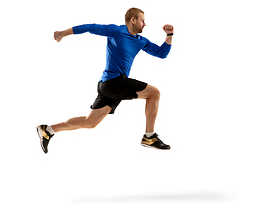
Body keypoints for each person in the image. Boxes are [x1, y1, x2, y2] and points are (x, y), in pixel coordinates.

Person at [37, 8, 174, 153]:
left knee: (90, 122)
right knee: (154, 93)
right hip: (113, 82)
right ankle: (149, 136)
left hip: (109, 85)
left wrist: (169, 35)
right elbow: (90, 27)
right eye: (142, 20)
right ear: (133, 20)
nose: (144, 24)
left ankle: (48, 130)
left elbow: (161, 53)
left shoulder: (141, 41)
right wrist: (63, 33)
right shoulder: (117, 31)